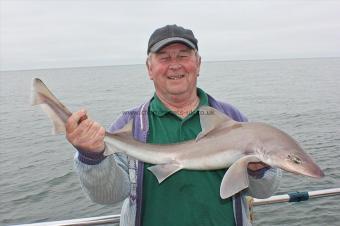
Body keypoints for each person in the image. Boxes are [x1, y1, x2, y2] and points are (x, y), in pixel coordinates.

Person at [66, 24, 281, 226]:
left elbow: (265, 191)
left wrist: (258, 171)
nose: (175, 64)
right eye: (164, 57)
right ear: (149, 69)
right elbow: (108, 196)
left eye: (183, 56)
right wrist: (92, 158)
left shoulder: (232, 118)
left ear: (198, 64)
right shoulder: (131, 124)